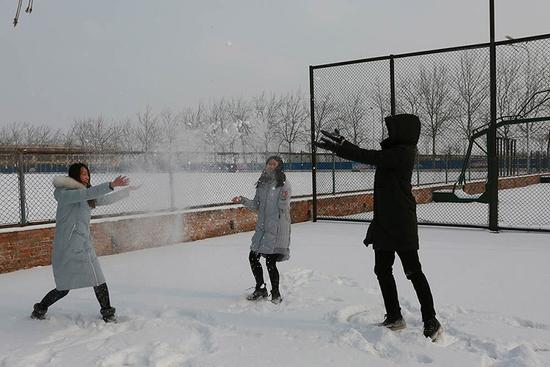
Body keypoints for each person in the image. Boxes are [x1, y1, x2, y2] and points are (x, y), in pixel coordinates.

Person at [314, 114, 442, 341]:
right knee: (382, 270)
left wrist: (342, 146)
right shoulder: (395, 152)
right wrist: (343, 146)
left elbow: (370, 156)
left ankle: (430, 319)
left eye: (393, 130)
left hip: (401, 223)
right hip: (384, 222)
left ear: (403, 132)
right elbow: (373, 157)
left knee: (413, 271)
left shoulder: (403, 152)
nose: (389, 134)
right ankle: (394, 316)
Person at [31, 162, 137, 323]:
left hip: (83, 244)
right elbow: (84, 195)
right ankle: (40, 309)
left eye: (87, 174)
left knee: (96, 278)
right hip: (68, 246)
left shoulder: (86, 194)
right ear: (75, 175)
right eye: (83, 174)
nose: (86, 177)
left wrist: (126, 192)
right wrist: (110, 184)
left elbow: (103, 200)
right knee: (64, 287)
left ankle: (107, 312)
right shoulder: (64, 193)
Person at [232, 156, 291, 304]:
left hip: (276, 228)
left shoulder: (283, 184)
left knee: (270, 262)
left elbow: (284, 208)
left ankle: (276, 294)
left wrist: (280, 225)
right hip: (262, 228)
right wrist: (242, 200)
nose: (270, 166)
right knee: (253, 257)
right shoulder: (262, 183)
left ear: (279, 167)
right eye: (269, 163)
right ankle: (261, 288)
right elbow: (256, 205)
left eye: (274, 164)